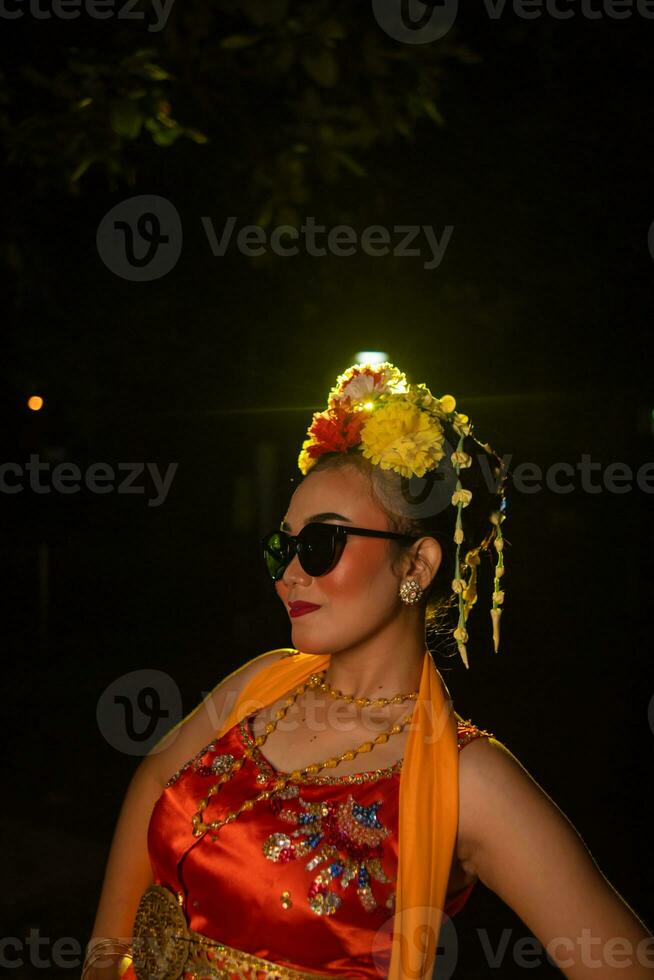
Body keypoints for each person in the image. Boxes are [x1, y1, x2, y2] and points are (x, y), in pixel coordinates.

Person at [83, 361, 653, 980]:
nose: (289, 574)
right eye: (283, 545)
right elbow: (154, 780)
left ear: (417, 565)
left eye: (321, 545)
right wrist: (102, 962)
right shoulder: (261, 682)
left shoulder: (471, 781)